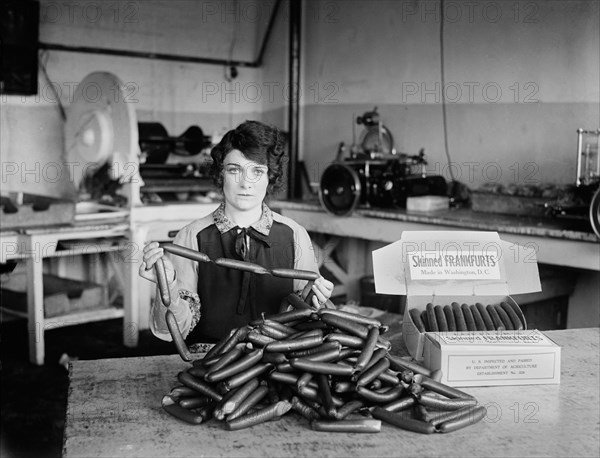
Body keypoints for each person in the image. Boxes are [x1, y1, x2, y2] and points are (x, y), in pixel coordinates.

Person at [139, 120, 333, 344]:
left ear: (271, 176)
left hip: (279, 364)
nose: (245, 183)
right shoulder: (191, 237)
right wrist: (168, 286)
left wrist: (317, 300)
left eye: (257, 171)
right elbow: (172, 331)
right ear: (221, 175)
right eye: (235, 170)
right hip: (210, 363)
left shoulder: (295, 235)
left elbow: (306, 317)